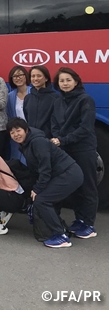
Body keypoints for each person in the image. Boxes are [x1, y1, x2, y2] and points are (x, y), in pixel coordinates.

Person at [7, 118, 84, 248]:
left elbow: (45, 168)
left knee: (42, 200)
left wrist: (37, 189)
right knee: (45, 199)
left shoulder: (37, 142)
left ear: (26, 130)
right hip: (60, 175)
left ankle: (60, 236)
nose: (16, 134)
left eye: (18, 130)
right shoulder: (26, 144)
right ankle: (58, 230)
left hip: (69, 174)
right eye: (12, 132)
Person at [51, 67, 98, 239]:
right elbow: (54, 123)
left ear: (76, 81)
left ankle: (89, 224)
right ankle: (79, 219)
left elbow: (85, 128)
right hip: (66, 149)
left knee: (87, 185)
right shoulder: (58, 101)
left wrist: (63, 140)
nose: (65, 83)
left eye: (68, 80)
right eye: (62, 81)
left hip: (83, 148)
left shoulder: (86, 100)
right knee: (75, 185)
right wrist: (58, 138)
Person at [23, 65, 59, 138]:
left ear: (46, 78)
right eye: (33, 76)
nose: (35, 79)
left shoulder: (55, 98)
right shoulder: (28, 98)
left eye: (39, 76)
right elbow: (27, 118)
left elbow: (58, 121)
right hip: (32, 139)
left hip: (49, 140)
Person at [6, 65, 31, 161]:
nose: (18, 78)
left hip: (31, 132)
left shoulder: (33, 92)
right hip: (17, 134)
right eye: (15, 76)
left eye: (21, 75)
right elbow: (9, 116)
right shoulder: (10, 96)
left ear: (26, 76)